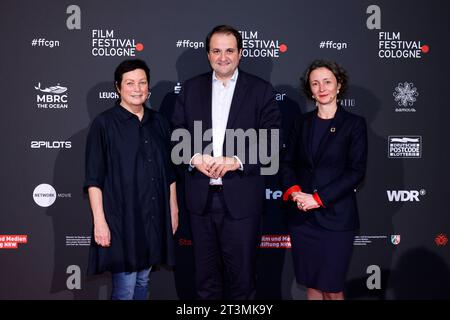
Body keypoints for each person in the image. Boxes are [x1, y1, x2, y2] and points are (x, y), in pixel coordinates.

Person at [171, 25, 281, 299]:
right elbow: (175, 133)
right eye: (216, 51)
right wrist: (194, 158)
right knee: (204, 282)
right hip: (200, 200)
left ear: (240, 54)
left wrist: (237, 160)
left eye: (229, 50)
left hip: (241, 200)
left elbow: (271, 141)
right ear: (208, 55)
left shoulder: (260, 90)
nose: (223, 57)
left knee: (242, 282)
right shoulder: (190, 88)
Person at [84, 59, 178, 300]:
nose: (137, 89)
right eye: (130, 83)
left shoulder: (159, 123)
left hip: (153, 217)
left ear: (148, 87)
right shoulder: (104, 124)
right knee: (125, 288)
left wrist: (173, 210)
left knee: (143, 281)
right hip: (121, 219)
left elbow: (169, 172)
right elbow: (94, 178)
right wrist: (100, 222)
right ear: (118, 88)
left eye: (142, 82)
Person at [281, 59, 367, 300]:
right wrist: (295, 192)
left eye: (327, 82)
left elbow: (356, 172)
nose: (322, 88)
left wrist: (318, 199)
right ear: (310, 89)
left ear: (338, 85)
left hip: (336, 219)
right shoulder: (301, 123)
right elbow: (287, 163)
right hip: (303, 219)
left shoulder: (354, 124)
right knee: (312, 284)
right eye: (315, 83)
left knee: (332, 287)